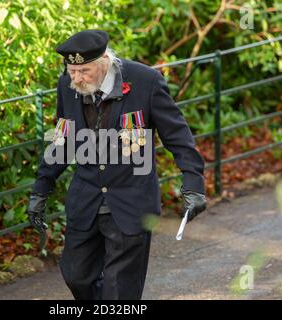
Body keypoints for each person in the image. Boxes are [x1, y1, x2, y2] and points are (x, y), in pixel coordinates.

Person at [28, 29, 206, 300]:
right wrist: (41, 189)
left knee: (119, 291)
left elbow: (178, 136)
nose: (75, 78)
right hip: (85, 201)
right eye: (71, 70)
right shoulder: (67, 85)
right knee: (77, 278)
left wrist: (193, 182)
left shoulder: (146, 82)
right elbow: (62, 141)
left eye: (83, 71)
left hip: (131, 203)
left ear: (104, 62)